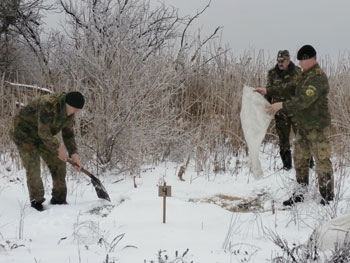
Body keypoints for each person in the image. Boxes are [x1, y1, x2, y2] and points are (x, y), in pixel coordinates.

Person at [266, 45, 334, 206]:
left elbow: (303, 101)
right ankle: (300, 194)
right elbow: (288, 87)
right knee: (300, 160)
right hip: (304, 127)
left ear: (310, 59)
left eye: (302, 60)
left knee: (322, 161)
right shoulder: (304, 76)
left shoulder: (317, 77)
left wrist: (282, 105)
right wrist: (267, 91)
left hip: (317, 127)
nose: (300, 64)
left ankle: (327, 196)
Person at [10, 91, 85, 211]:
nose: (75, 112)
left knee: (59, 163)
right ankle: (37, 201)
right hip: (24, 133)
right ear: (67, 103)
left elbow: (68, 134)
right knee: (33, 166)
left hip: (44, 136)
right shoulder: (49, 104)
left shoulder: (70, 113)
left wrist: (74, 154)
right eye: (75, 109)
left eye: (78, 110)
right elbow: (43, 131)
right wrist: (58, 148)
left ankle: (59, 199)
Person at [255, 50, 301, 170]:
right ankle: (287, 166)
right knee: (283, 139)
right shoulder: (272, 73)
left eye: (283, 61)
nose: (280, 63)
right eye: (278, 61)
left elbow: (294, 90)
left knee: (302, 138)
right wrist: (266, 105)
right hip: (280, 112)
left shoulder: (297, 72)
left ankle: (308, 164)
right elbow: (269, 90)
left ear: (288, 60)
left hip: (295, 110)